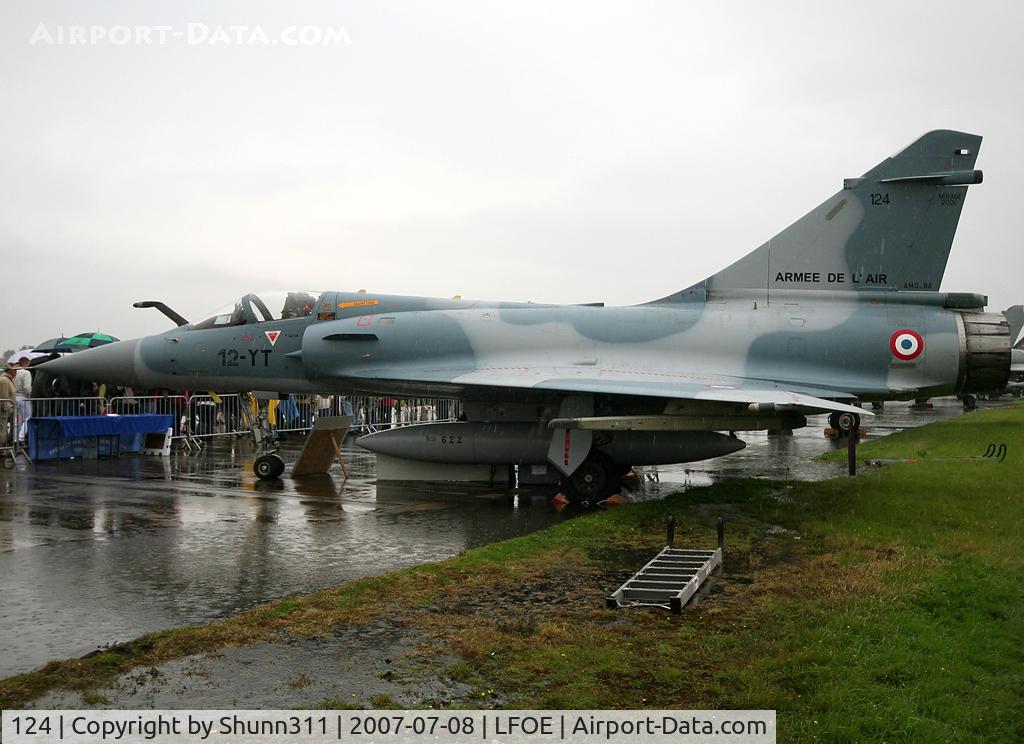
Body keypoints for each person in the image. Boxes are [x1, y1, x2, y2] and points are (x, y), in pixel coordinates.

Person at [14, 356, 32, 444]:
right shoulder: (26, 373)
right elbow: (27, 387)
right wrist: (29, 395)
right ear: (25, 363)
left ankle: (15, 438)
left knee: (17, 419)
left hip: (14, 397)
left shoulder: (14, 372)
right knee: (28, 417)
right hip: (23, 397)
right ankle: (21, 438)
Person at [0, 364, 17, 448]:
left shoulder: (8, 379)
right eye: (14, 369)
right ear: (8, 370)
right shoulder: (4, 380)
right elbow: (4, 397)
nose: (16, 371)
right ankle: (2, 449)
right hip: (3, 411)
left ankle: (3, 447)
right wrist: (6, 409)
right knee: (2, 430)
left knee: (4, 430)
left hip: (7, 410)